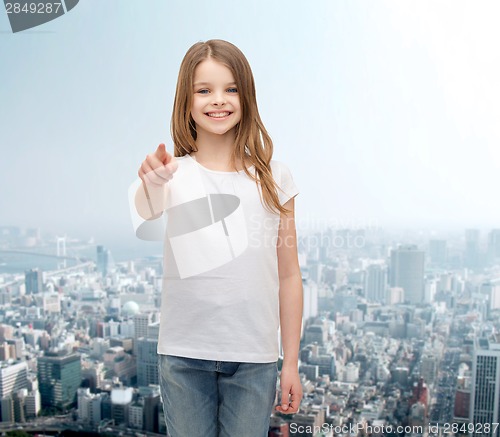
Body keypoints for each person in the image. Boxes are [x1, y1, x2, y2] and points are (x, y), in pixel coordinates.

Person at [130, 39, 303, 437]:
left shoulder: (275, 178)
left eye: (230, 88)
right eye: (203, 90)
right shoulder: (172, 172)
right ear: (186, 102)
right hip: (184, 355)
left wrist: (290, 361)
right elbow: (146, 208)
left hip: (254, 357)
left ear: (247, 95)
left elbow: (289, 275)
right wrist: (151, 180)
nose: (218, 100)